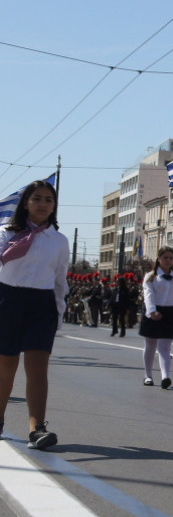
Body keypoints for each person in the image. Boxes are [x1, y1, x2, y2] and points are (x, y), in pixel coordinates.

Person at [0, 179, 68, 449]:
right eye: (37, 198)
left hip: (42, 304)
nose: (43, 204)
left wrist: (59, 312)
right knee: (5, 367)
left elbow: (60, 280)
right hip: (8, 300)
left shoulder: (59, 240)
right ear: (26, 202)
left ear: (54, 206)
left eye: (48, 200)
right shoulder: (6, 233)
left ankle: (36, 428)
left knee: (38, 367)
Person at [141, 246, 173, 390]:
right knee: (150, 346)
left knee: (165, 347)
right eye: (165, 257)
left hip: (169, 312)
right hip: (153, 310)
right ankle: (148, 375)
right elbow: (148, 295)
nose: (168, 260)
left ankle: (165, 376)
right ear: (159, 259)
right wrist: (152, 311)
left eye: (171, 258)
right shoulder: (150, 276)